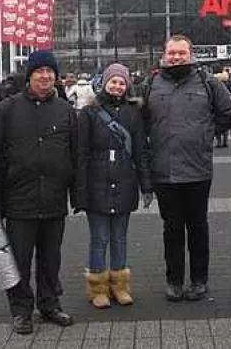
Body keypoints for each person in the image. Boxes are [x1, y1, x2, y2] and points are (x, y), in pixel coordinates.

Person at [0, 50, 81, 335]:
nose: (45, 76)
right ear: (30, 75)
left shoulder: (66, 111)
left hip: (54, 200)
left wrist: (78, 194)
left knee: (51, 257)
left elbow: (76, 156)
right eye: (40, 71)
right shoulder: (7, 110)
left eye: (50, 72)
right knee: (18, 259)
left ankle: (49, 304)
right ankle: (21, 310)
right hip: (18, 201)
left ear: (55, 76)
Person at [142, 34, 231, 301]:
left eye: (181, 53)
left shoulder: (208, 82)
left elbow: (229, 111)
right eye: (172, 53)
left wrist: (207, 133)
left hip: (198, 169)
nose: (176, 57)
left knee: (198, 227)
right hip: (164, 170)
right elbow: (141, 120)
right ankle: (174, 281)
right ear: (164, 54)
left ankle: (199, 280)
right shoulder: (152, 83)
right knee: (171, 229)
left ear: (191, 54)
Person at [77, 63, 152, 308]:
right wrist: (79, 191)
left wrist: (146, 185)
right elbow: (81, 154)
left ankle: (120, 285)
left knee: (119, 237)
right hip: (96, 184)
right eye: (113, 81)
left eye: (122, 82)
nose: (117, 86)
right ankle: (97, 287)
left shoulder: (133, 113)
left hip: (124, 182)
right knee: (99, 238)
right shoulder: (89, 113)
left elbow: (141, 151)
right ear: (104, 82)